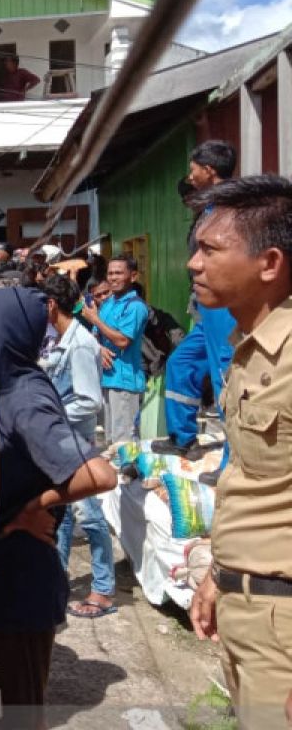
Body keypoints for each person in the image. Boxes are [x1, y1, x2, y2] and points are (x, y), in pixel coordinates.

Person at [0, 287, 117, 728]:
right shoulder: (1, 385)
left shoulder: (23, 397)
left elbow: (98, 474)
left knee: (6, 717)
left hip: (18, 592)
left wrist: (32, 506)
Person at [186, 175, 292, 727]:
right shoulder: (249, 348)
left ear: (269, 262)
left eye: (210, 249)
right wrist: (220, 575)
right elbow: (257, 482)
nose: (193, 264)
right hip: (251, 607)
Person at [155, 140, 238, 466]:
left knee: (224, 375)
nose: (189, 176)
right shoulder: (210, 206)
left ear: (209, 170)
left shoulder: (230, 208)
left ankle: (233, 461)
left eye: (193, 169)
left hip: (223, 302)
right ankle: (182, 437)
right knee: (181, 364)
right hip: (206, 304)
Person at [41, 275, 115, 620]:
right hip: (64, 442)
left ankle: (103, 590)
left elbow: (89, 401)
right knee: (66, 515)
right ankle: (57, 582)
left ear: (52, 304)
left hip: (78, 442)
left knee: (91, 516)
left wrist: (49, 415)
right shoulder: (60, 339)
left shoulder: (82, 344)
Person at [81, 255, 149, 444]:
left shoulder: (135, 306)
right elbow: (96, 334)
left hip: (125, 382)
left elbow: (122, 341)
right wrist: (100, 348)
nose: (113, 277)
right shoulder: (109, 303)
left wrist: (94, 319)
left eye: (119, 273)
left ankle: (130, 473)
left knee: (125, 441)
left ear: (133, 276)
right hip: (107, 379)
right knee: (111, 439)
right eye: (110, 273)